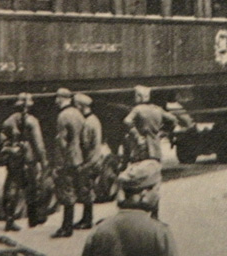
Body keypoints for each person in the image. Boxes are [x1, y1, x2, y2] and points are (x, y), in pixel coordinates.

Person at [81, 159, 177, 256]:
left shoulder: (100, 230)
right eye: (157, 190)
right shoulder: (160, 233)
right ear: (144, 193)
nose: (158, 195)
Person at [0, 92, 49, 231]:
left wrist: (9, 149)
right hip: (28, 159)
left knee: (12, 187)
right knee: (32, 187)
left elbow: (2, 139)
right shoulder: (32, 121)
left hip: (14, 158)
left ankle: (9, 220)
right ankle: (33, 219)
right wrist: (44, 161)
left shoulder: (9, 120)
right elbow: (39, 144)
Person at [52, 87, 85, 238]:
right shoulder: (78, 114)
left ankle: (66, 227)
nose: (55, 101)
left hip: (67, 160)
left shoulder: (63, 116)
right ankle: (69, 225)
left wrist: (58, 164)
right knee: (73, 190)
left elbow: (62, 142)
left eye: (57, 98)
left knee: (66, 193)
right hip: (78, 157)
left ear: (62, 98)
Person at [123, 85, 178, 164]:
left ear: (140, 96)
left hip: (142, 145)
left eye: (136, 95)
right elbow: (173, 119)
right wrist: (163, 132)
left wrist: (137, 136)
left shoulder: (138, 109)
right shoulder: (157, 108)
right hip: (155, 144)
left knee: (140, 167)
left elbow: (127, 121)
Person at [74, 93, 102, 231]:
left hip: (89, 161)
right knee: (88, 189)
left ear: (81, 106)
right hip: (95, 159)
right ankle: (86, 219)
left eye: (76, 105)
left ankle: (87, 220)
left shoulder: (87, 123)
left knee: (86, 190)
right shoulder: (94, 119)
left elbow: (85, 143)